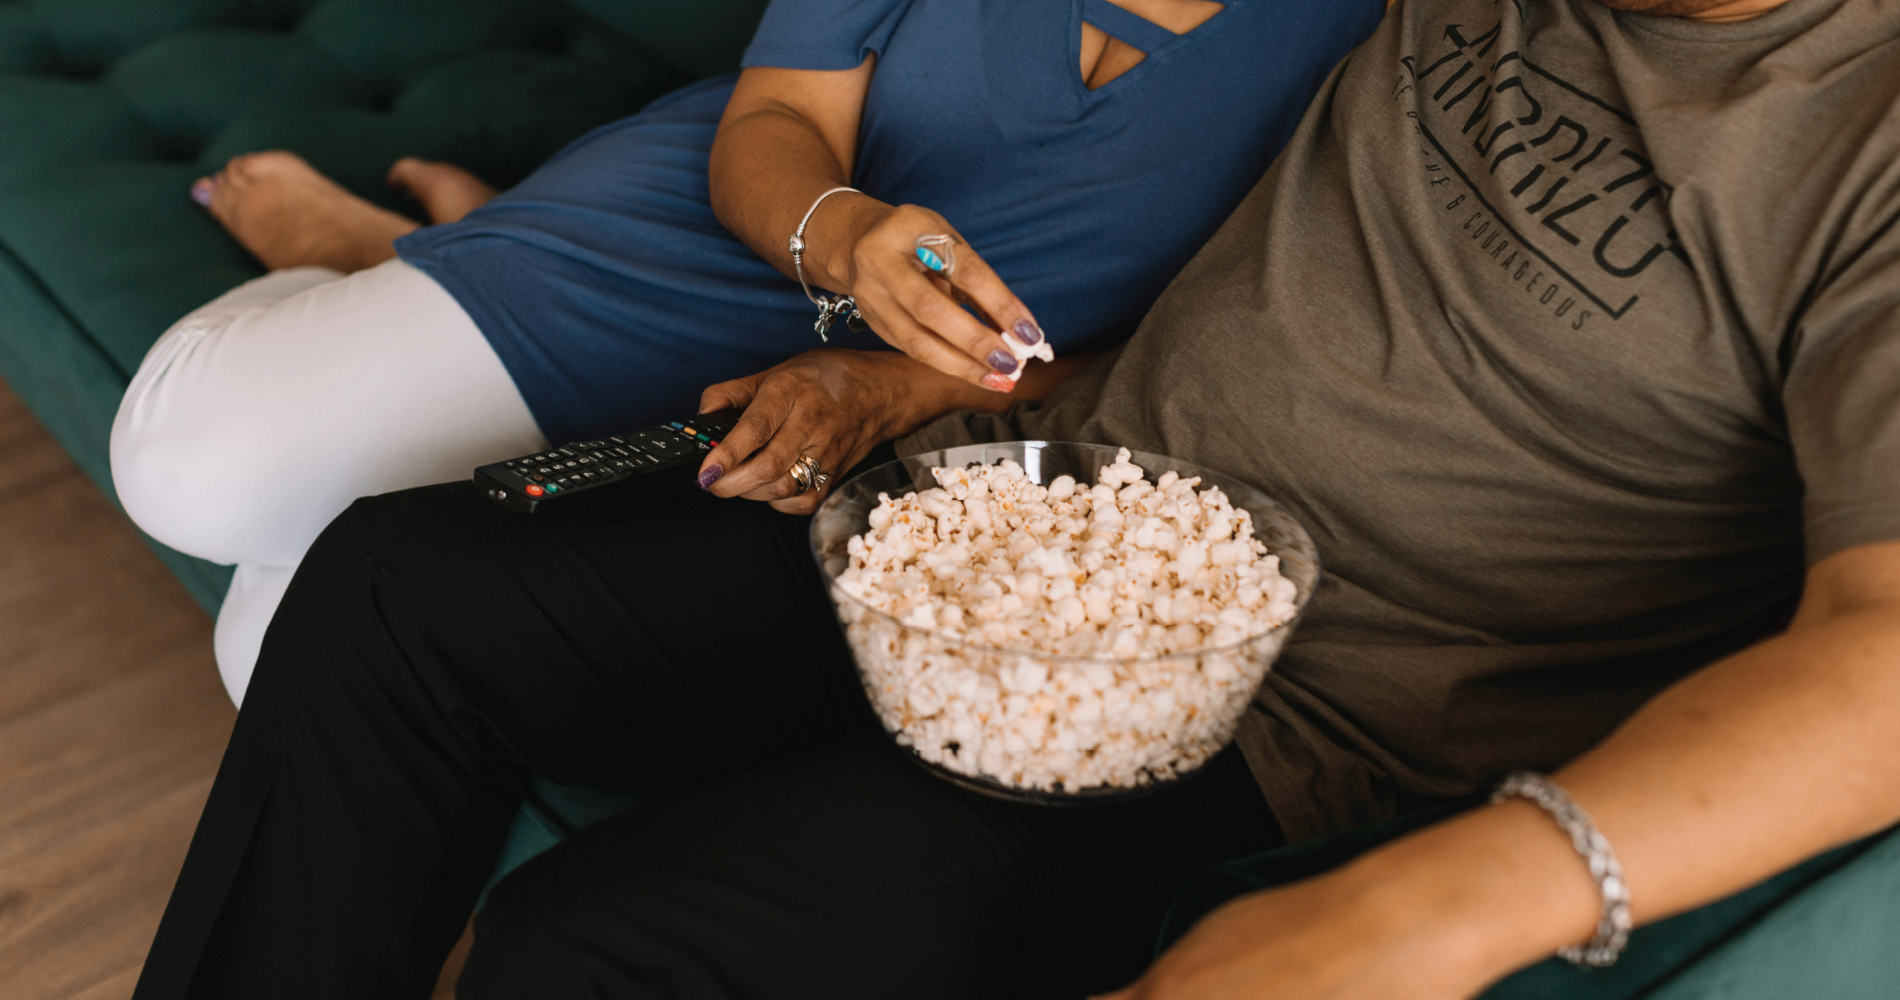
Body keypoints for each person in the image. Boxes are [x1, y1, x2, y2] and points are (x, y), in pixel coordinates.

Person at [133, 0, 1900, 997]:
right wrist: (919, 378)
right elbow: (1217, 246)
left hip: (1293, 715)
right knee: (399, 589)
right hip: (1027, 495)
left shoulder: (1862, 143)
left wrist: (1415, 914)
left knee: (585, 955)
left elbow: (1884, 654)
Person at [106, 0, 1383, 704]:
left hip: (868, 408)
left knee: (284, 661)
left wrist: (895, 382)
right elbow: (773, 113)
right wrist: (849, 235)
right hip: (682, 239)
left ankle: (422, 253)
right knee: (189, 469)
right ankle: (343, 266)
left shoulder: (1377, 33)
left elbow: (1198, 329)